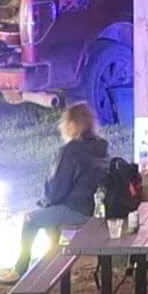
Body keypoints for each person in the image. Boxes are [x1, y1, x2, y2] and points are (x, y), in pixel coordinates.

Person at [12, 102, 108, 270]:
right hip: (96, 209)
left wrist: (44, 203)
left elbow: (56, 190)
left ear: (72, 124)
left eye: (63, 122)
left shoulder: (70, 151)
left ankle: (20, 269)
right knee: (51, 215)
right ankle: (51, 259)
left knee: (30, 219)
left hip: (78, 210)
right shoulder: (101, 148)